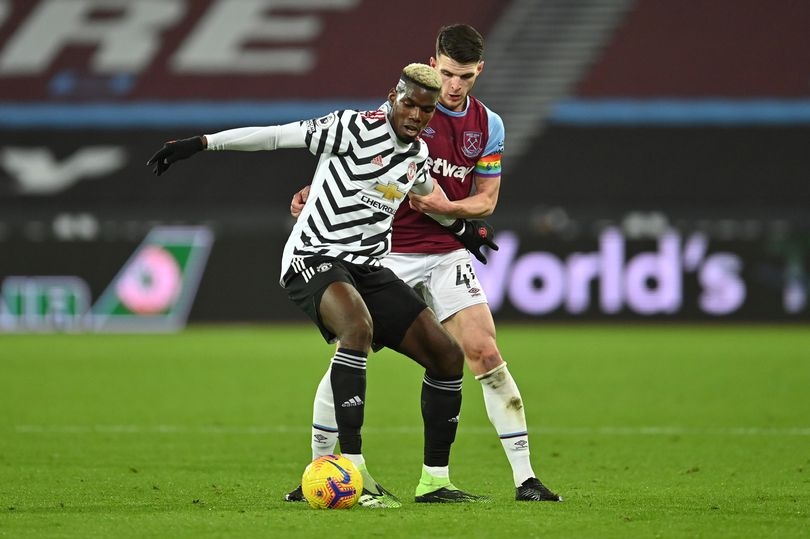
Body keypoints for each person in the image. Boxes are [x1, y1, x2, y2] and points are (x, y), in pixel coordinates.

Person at [147, 63, 495, 507]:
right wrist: (201, 144)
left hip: (367, 268)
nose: (415, 115)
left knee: (446, 356)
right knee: (357, 328)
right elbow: (275, 136)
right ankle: (354, 471)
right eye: (409, 103)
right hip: (313, 256)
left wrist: (463, 230)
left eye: (425, 110)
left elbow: (429, 198)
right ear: (393, 96)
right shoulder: (350, 127)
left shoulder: (417, 156)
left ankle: (434, 483)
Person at [287, 25, 562, 503]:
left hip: (446, 253)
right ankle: (319, 470)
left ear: (480, 71)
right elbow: (355, 158)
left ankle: (521, 480)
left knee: (484, 352)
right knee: (350, 353)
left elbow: (486, 201)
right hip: (386, 253)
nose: (455, 86)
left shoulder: (488, 126)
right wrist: (317, 191)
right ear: (433, 64)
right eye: (448, 74)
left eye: (466, 77)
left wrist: (446, 209)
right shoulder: (408, 107)